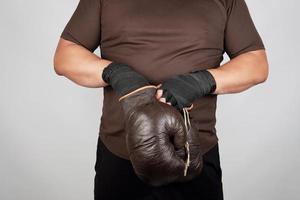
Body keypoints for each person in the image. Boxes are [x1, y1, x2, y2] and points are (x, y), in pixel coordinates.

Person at [53, 0, 269, 199]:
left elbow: (256, 63)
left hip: (193, 158)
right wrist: (117, 73)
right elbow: (65, 56)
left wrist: (200, 81)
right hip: (120, 157)